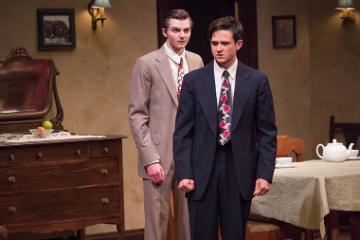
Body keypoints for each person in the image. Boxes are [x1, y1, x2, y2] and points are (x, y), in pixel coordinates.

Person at [173, 16, 277, 240]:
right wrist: (184, 172)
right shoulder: (193, 81)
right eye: (214, 43)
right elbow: (182, 132)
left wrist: (264, 174)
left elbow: (267, 132)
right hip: (201, 174)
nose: (218, 49)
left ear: (238, 44)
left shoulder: (257, 81)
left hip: (239, 172)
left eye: (224, 43)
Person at [128, 9, 203, 240]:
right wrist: (150, 159)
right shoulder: (147, 63)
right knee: (156, 225)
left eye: (186, 30)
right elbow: (137, 115)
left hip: (190, 153)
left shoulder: (196, 60)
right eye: (176, 30)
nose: (182, 35)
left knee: (188, 223)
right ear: (164, 32)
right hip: (158, 154)